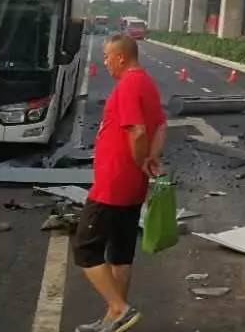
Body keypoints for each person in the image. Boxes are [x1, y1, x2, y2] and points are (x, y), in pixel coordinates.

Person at [72, 34, 165, 332]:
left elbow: (137, 131)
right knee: (120, 253)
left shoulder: (127, 85)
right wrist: (151, 159)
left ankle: (120, 308)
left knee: (85, 248)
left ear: (121, 57)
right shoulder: (147, 82)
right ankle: (113, 321)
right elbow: (161, 125)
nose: (105, 62)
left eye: (107, 56)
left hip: (113, 184)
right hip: (133, 184)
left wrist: (139, 160)